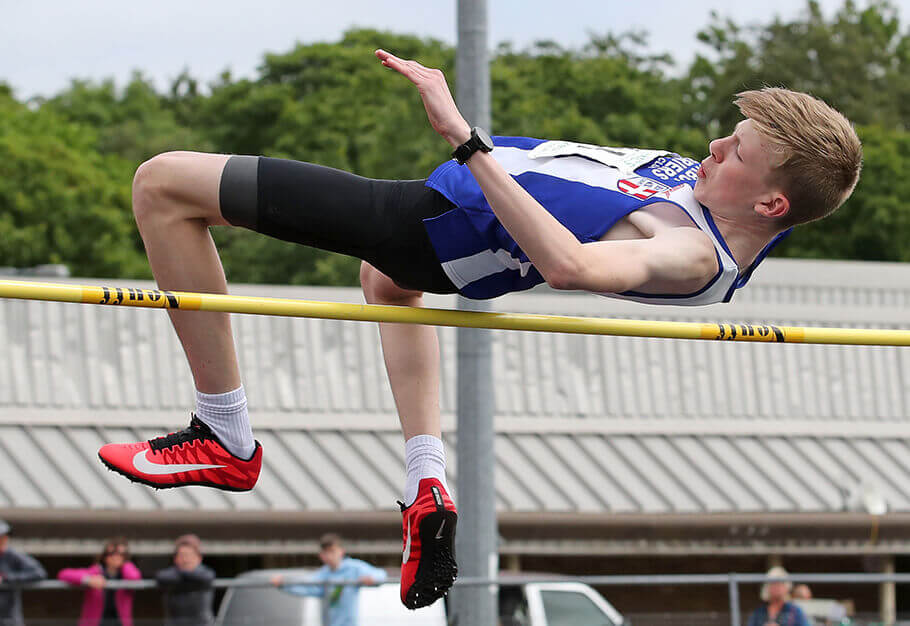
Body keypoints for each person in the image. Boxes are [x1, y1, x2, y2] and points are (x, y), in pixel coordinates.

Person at [95, 49, 862, 610]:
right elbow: (811, 175)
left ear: (770, 205)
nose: (714, 147)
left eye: (737, 152)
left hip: (425, 221)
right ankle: (424, 478)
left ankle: (223, 435)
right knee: (385, 286)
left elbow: (569, 265)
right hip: (445, 233)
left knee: (163, 185)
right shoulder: (730, 202)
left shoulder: (690, 251)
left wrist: (465, 137)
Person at [270, 534, 386, 626]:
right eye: (326, 552)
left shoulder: (354, 567)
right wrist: (283, 584)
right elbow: (306, 586)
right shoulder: (323, 574)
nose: (330, 556)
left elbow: (380, 574)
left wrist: (373, 579)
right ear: (321, 556)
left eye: (332, 551)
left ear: (341, 551)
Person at [58, 538, 141, 626]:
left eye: (121, 554)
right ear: (104, 556)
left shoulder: (126, 573)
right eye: (111, 553)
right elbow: (63, 574)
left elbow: (134, 577)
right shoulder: (96, 571)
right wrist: (88, 580)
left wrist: (126, 563)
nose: (116, 557)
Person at [154, 534, 215, 626]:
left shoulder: (205, 574)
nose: (186, 560)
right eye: (182, 555)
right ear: (175, 559)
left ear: (199, 558)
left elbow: (207, 576)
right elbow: (161, 576)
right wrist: (185, 574)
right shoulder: (170, 575)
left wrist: (183, 574)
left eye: (189, 555)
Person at [0, 519, 47, 626]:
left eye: (3, 537)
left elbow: (39, 573)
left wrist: (6, 578)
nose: (3, 540)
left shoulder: (12, 555)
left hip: (8, 618)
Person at [747, 567, 811, 626]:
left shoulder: (794, 612)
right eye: (773, 583)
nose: (777, 587)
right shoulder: (758, 613)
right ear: (767, 587)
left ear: (787, 587)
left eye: (781, 583)